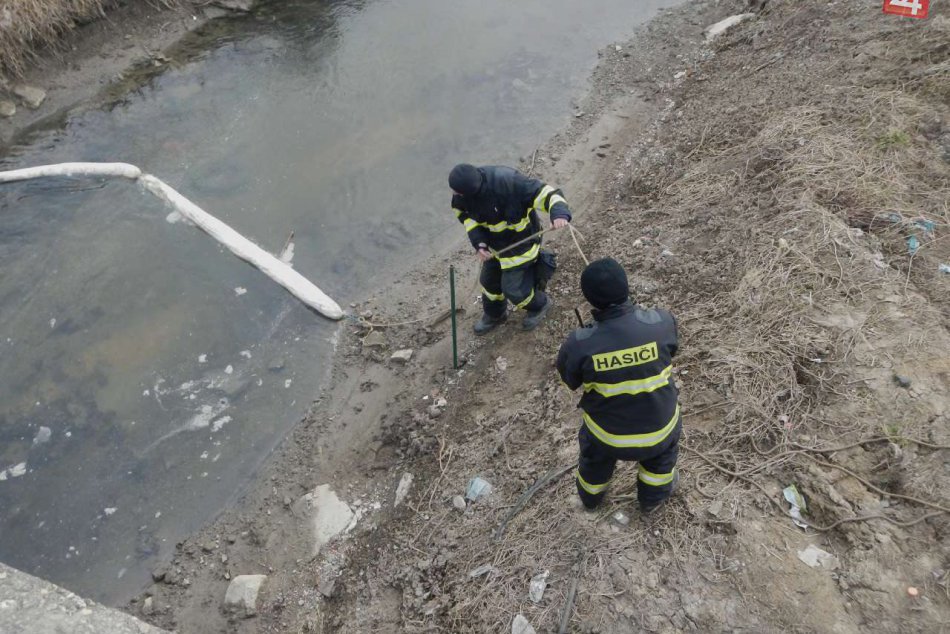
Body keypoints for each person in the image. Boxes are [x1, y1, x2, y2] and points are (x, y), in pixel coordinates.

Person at [556, 258, 681, 514]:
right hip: (660, 429)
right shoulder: (662, 323)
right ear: (626, 288)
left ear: (589, 300)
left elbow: (569, 381)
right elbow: (673, 349)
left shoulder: (579, 343)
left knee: (594, 460)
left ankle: (591, 499)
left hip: (607, 436)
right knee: (661, 460)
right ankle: (651, 500)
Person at [449, 163, 571, 334]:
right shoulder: (461, 198)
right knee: (489, 282)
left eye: (457, 193)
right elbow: (468, 220)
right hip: (495, 249)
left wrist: (559, 214)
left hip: (522, 245)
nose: (454, 195)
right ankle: (495, 314)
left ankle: (540, 304)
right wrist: (479, 243)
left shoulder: (510, 183)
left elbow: (549, 194)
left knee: (513, 290)